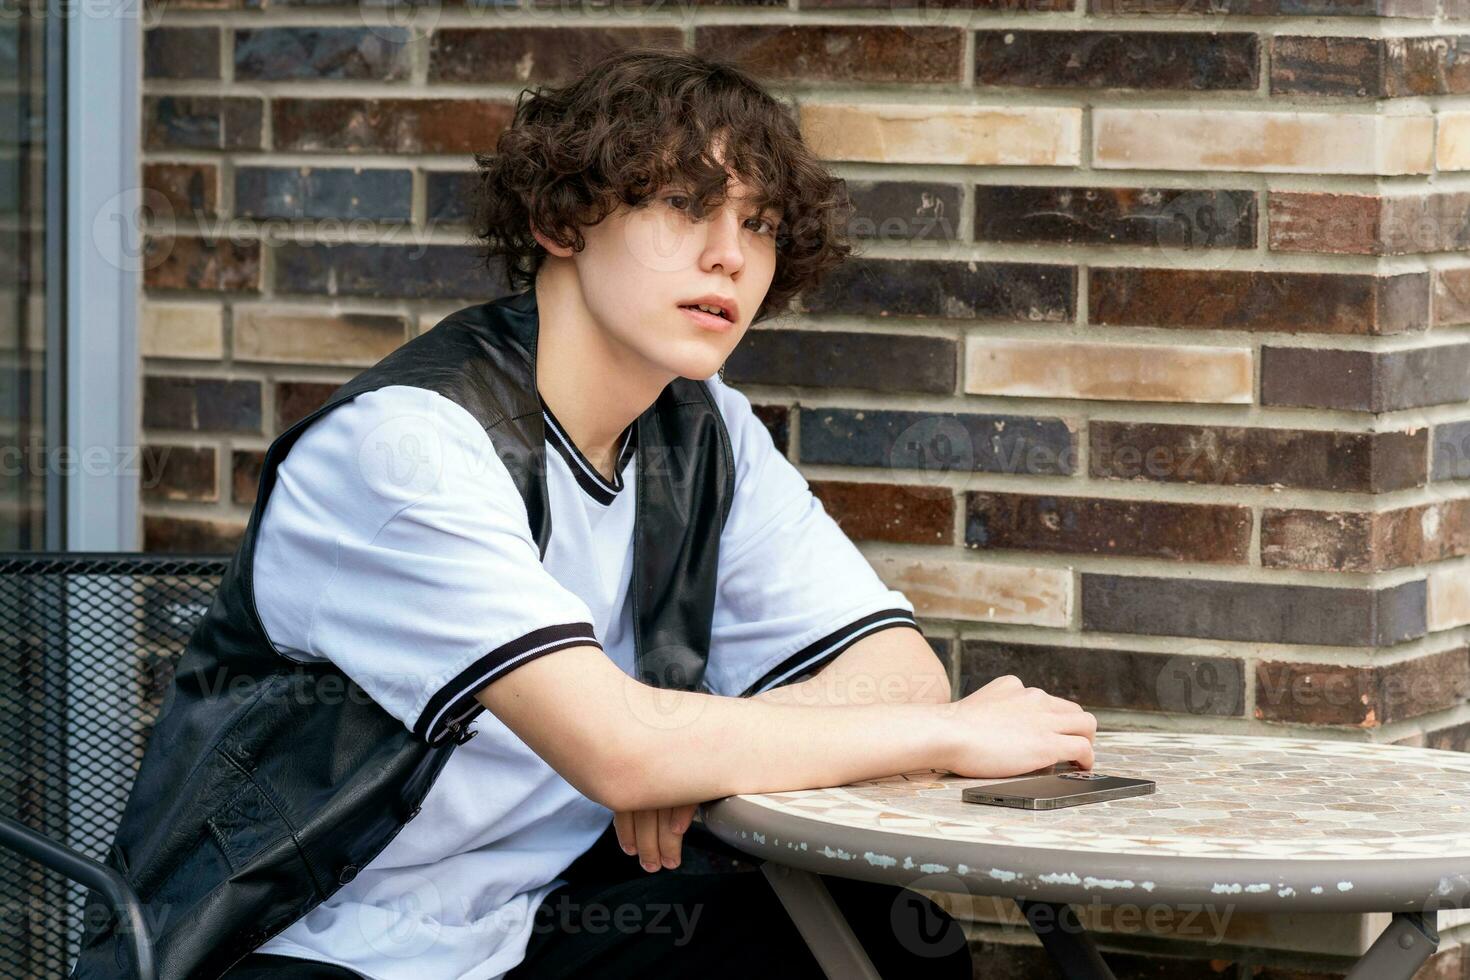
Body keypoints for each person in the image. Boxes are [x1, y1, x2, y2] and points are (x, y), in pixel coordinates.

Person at [201, 48, 1097, 980]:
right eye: (683, 205)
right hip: (315, 943)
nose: (731, 253)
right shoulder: (405, 446)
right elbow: (621, 751)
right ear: (562, 219)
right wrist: (937, 736)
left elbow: (896, 673)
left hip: (534, 917)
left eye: (760, 222)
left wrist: (690, 755)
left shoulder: (704, 426)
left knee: (881, 939)